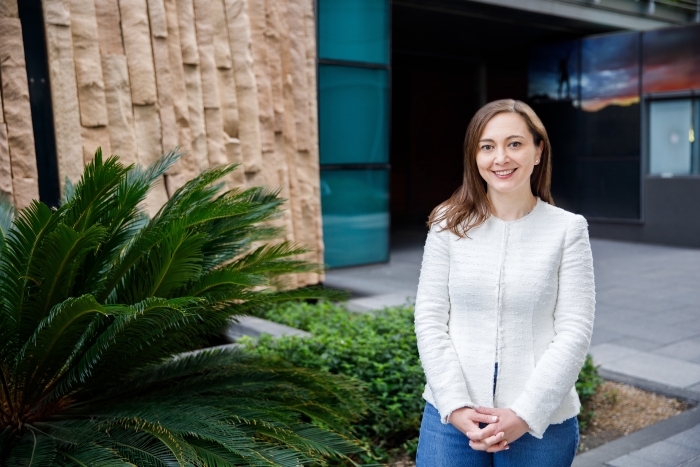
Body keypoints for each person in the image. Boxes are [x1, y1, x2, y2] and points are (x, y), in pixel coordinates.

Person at [414, 99, 595, 467]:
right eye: (487, 146)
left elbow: (575, 330)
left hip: (541, 421)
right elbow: (430, 319)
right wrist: (456, 405)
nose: (501, 158)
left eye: (514, 143)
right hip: (451, 416)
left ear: (538, 151)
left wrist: (525, 414)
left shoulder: (568, 229)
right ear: (474, 157)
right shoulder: (447, 224)